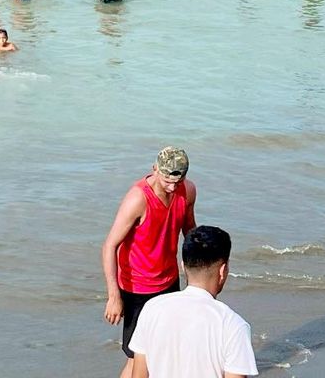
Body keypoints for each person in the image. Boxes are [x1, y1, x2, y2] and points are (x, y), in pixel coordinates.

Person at [102, 147, 197, 378]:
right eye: (167, 181)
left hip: (169, 283)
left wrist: (196, 276)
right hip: (137, 289)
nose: (172, 187)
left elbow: (189, 231)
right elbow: (109, 246)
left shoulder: (188, 191)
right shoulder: (138, 199)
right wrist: (114, 297)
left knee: (164, 350)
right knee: (137, 357)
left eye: (178, 181)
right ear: (155, 169)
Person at [128, 225, 258, 378]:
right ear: (223, 271)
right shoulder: (233, 325)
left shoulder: (152, 308)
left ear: (183, 266)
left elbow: (138, 375)